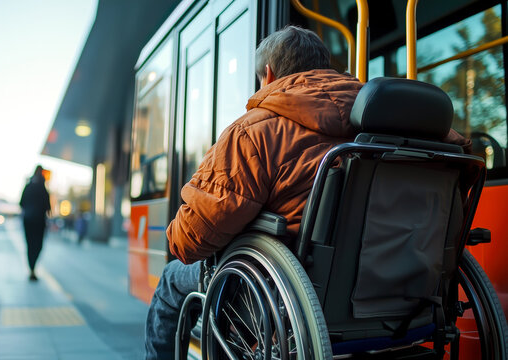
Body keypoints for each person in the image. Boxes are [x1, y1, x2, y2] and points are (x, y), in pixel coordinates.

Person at [144, 25, 470, 359]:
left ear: (268, 75)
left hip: (297, 299)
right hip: (413, 294)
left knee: (172, 280)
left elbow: (190, 240)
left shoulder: (254, 131)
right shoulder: (408, 127)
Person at [19, 165, 51, 281]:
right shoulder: (44, 188)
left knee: (30, 245)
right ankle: (33, 267)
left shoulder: (28, 187)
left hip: (28, 220)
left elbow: (21, 203)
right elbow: (48, 208)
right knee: (38, 245)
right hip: (39, 222)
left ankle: (31, 268)